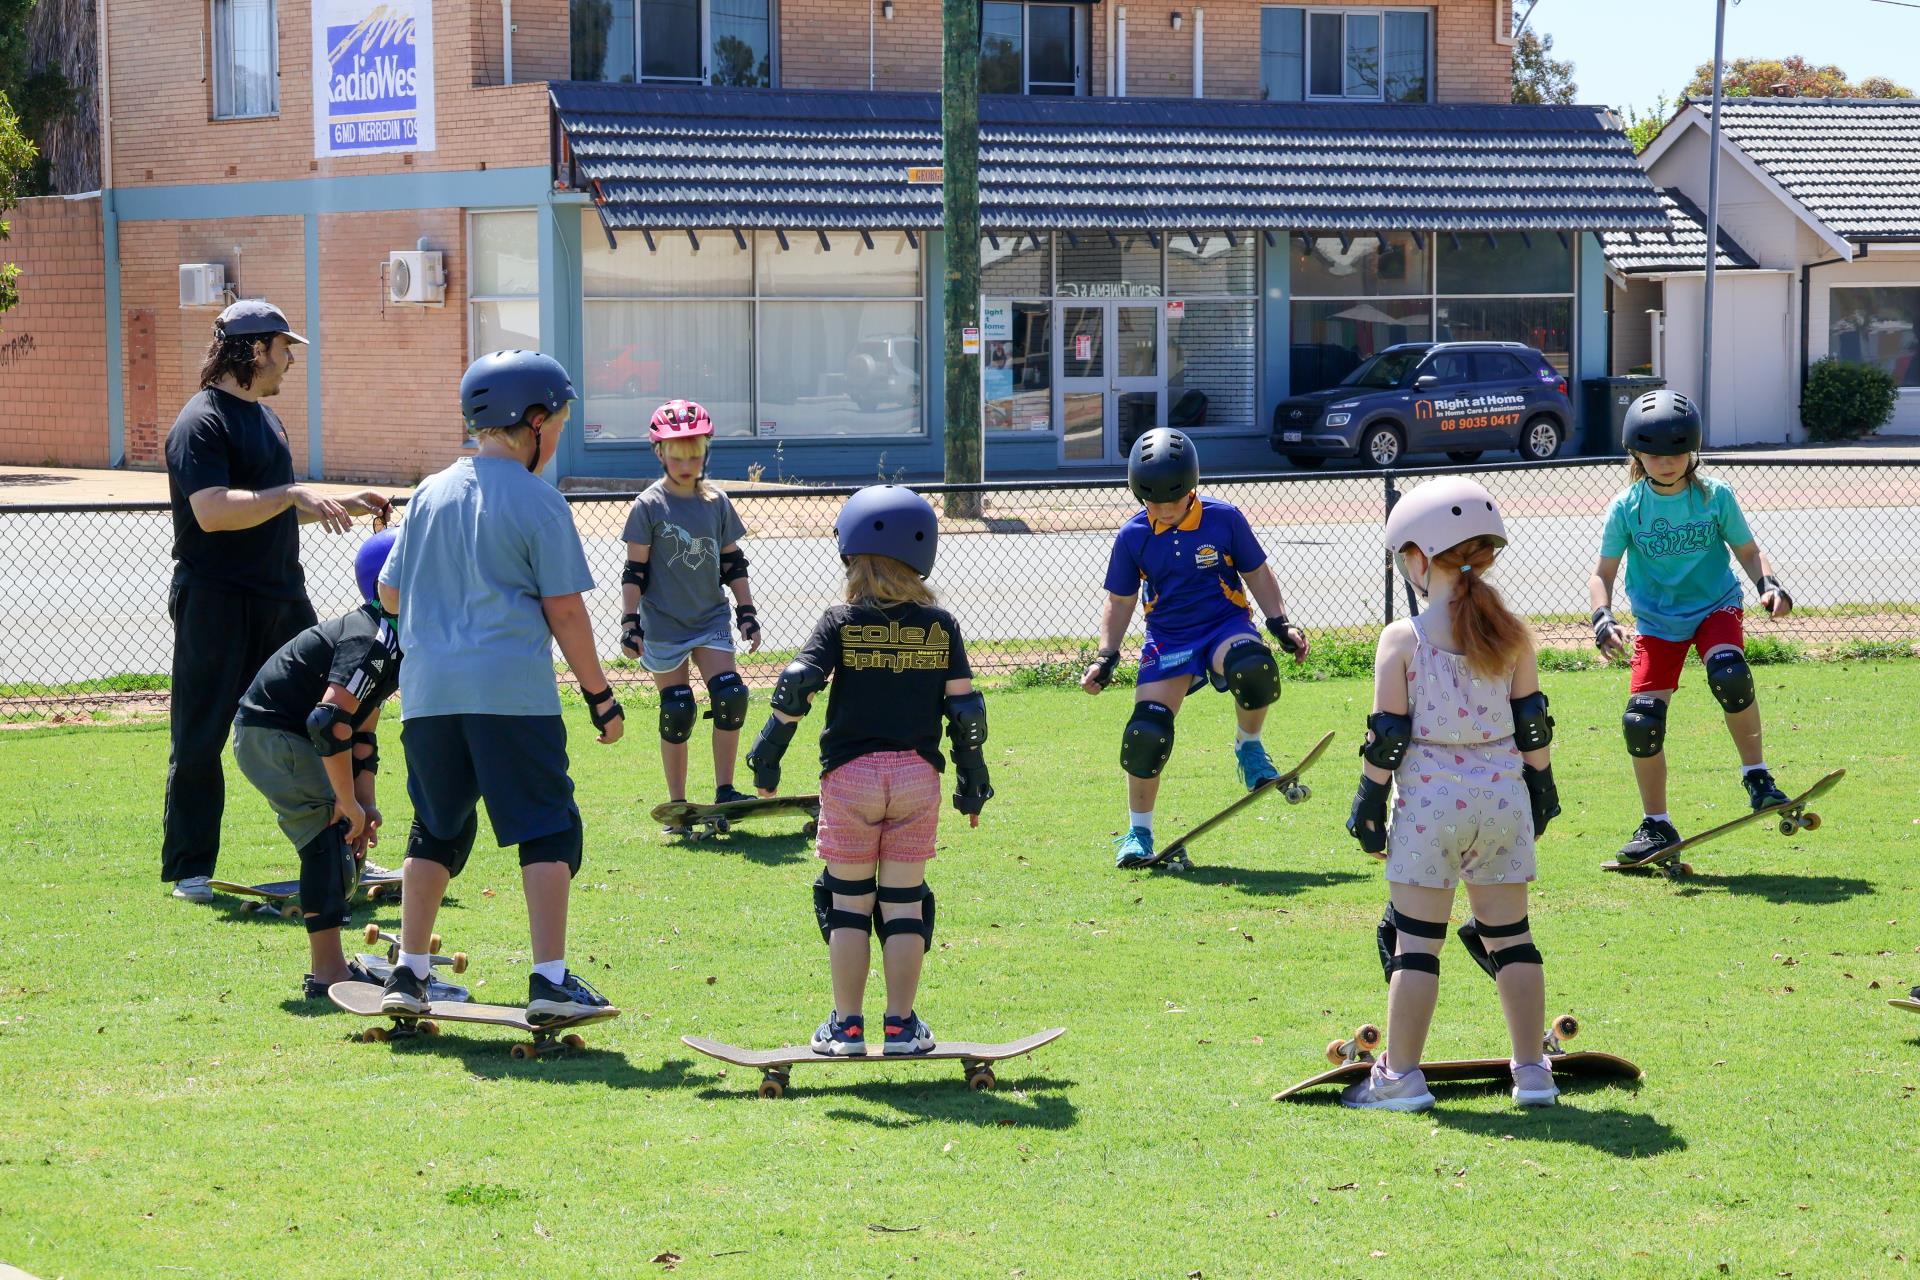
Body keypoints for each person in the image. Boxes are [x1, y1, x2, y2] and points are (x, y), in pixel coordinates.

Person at [374, 350, 625, 1023]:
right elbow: (565, 610)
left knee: (434, 828)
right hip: (510, 695)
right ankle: (548, 980)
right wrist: (601, 696)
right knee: (548, 827)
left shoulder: (428, 493)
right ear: (534, 420)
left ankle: (409, 970)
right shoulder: (539, 500)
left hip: (428, 696)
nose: (560, 436)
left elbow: (388, 591)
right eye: (561, 423)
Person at [741, 485, 990, 1056]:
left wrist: (767, 754)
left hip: (851, 777)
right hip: (915, 779)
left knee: (847, 903)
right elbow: (966, 710)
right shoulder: (940, 625)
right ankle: (901, 1026)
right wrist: (972, 782)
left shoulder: (840, 620)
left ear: (850, 553)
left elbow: (797, 685)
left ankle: (847, 1027)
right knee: (905, 905)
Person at [1342, 478, 1561, 1111]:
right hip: (1503, 798)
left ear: (1416, 557)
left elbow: (1388, 734)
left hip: (1432, 802)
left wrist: (1367, 802)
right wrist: (1541, 787)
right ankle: (1534, 1072)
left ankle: (1400, 1078)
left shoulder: (1402, 638)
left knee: (1416, 945)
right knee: (1513, 938)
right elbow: (1532, 723)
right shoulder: (1514, 633)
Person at [162, 299, 391, 902]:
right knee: (200, 733)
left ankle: (342, 852)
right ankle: (190, 871)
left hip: (280, 598)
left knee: (325, 718)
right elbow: (212, 512)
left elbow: (268, 508)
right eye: (284, 348)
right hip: (215, 601)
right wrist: (291, 494)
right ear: (254, 349)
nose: (290, 361)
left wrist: (337, 501)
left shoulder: (266, 418)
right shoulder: (199, 422)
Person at [1080, 428, 1311, 869]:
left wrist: (1280, 623)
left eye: (1174, 500)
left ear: (1193, 488)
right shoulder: (1133, 537)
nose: (1164, 510)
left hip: (1224, 625)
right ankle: (1138, 834)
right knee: (1146, 733)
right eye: (1153, 502)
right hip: (1169, 639)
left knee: (1254, 667)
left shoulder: (1225, 519)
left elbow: (1258, 573)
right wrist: (1106, 656)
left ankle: (1249, 747)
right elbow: (1121, 600)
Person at [1587, 390, 1795, 865]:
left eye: (1678, 451)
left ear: (1694, 450)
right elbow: (1602, 574)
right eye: (1655, 453)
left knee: (1729, 673)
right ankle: (1656, 825)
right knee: (1640, 723)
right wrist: (1603, 620)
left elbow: (1746, 549)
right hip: (1658, 622)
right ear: (1636, 453)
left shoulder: (1714, 496)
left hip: (1714, 608)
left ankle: (1758, 776)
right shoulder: (1627, 507)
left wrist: (1769, 584)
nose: (1667, 461)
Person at [232, 529, 405, 998]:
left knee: (343, 832)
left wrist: (364, 806)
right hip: (275, 735)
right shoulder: (372, 636)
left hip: (287, 734)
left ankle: (332, 966)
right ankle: (328, 973)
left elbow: (362, 731)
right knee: (329, 834)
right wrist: (345, 802)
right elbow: (327, 721)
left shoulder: (391, 635)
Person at [618, 400, 761, 832]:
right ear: (659, 453)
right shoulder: (648, 505)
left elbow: (732, 562)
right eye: (676, 454)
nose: (686, 463)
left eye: (694, 453)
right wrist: (630, 623)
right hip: (664, 623)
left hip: (709, 618)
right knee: (678, 709)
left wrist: (747, 611)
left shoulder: (716, 502)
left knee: (730, 694)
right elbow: (634, 571)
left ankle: (725, 793)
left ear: (706, 452)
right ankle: (679, 806)